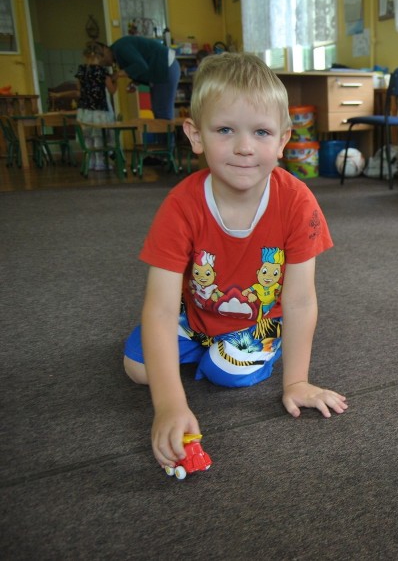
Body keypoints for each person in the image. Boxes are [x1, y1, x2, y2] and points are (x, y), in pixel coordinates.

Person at [123, 52, 347, 469]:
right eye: (225, 129)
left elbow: (299, 301)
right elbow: (160, 307)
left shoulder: (297, 202)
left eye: (261, 132)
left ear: (282, 141)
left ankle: (256, 346)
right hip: (197, 315)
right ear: (195, 135)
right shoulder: (180, 206)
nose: (244, 147)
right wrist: (170, 405)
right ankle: (197, 354)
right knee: (137, 367)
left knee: (228, 373)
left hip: (257, 320)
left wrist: (296, 381)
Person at [105, 35, 180, 120]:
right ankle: (165, 132)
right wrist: (135, 82)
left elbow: (141, 66)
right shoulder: (119, 52)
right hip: (163, 68)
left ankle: (167, 133)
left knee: (162, 113)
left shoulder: (120, 48)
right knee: (159, 112)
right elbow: (143, 65)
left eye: (102, 59)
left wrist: (118, 74)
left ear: (105, 50)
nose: (104, 63)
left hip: (165, 66)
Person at [75, 41, 117, 170]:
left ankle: (90, 162)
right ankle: (100, 162)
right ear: (101, 56)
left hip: (84, 110)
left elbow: (79, 90)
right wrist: (116, 81)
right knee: (99, 136)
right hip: (99, 110)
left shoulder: (81, 71)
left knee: (87, 137)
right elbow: (112, 90)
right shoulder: (103, 72)